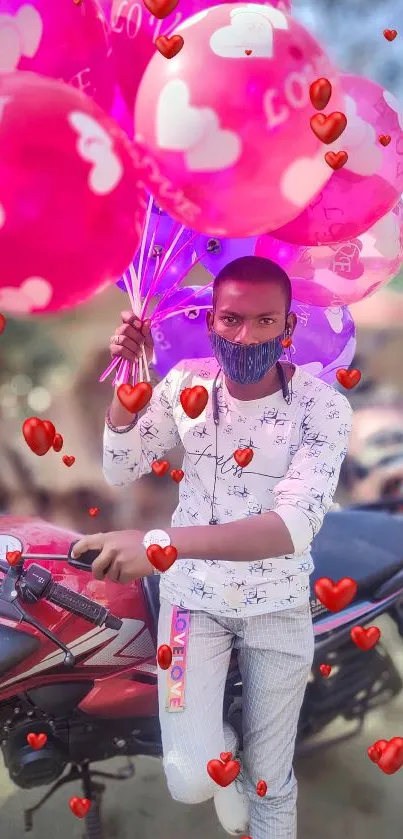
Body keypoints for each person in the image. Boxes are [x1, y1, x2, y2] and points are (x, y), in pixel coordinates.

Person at [73, 256, 353, 839]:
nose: (245, 336)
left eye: (263, 321)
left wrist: (157, 545)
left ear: (289, 328)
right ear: (210, 323)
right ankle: (223, 763)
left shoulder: (323, 409)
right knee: (189, 779)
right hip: (191, 603)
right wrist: (126, 398)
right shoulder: (186, 385)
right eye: (230, 319)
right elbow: (121, 469)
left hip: (278, 607)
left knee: (271, 783)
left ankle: (254, 775)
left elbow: (290, 527)